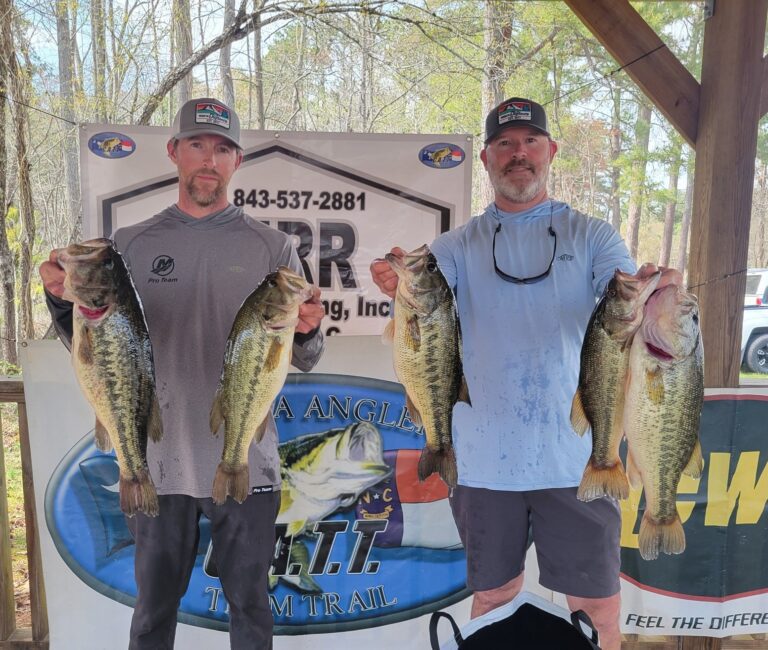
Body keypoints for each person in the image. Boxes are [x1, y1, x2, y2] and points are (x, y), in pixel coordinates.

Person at [371, 97, 674, 650]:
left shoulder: (594, 236)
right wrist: (396, 285)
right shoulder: (454, 245)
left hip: (580, 455)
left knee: (600, 609)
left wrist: (660, 293)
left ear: (551, 151)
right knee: (493, 603)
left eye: (530, 142)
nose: (519, 154)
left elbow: (624, 306)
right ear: (485, 159)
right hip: (485, 459)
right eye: (505, 145)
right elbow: (424, 308)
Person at [40, 97, 325, 649]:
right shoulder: (127, 245)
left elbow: (306, 358)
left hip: (246, 464)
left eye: (222, 149)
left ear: (237, 161)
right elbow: (94, 352)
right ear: (174, 152)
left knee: (251, 609)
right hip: (156, 463)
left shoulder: (275, 247)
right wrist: (60, 303)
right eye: (197, 145)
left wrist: (310, 330)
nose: (208, 160)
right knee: (151, 614)